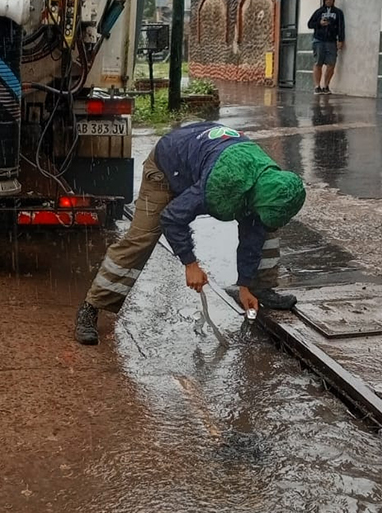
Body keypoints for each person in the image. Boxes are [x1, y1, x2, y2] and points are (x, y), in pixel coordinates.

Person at [74, 122, 306, 345]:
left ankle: (259, 289)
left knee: (265, 228)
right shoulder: (222, 183)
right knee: (141, 239)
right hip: (165, 168)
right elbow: (172, 219)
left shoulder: (269, 181)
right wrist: (190, 264)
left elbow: (253, 232)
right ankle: (91, 307)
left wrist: (245, 285)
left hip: (200, 157)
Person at [307, 0, 344, 94]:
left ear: (333, 1)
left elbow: (341, 27)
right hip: (319, 40)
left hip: (331, 41)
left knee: (331, 64)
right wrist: (319, 23)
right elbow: (310, 24)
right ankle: (317, 86)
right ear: (324, 0)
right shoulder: (319, 12)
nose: (329, 1)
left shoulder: (338, 13)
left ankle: (326, 85)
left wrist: (341, 40)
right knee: (318, 63)